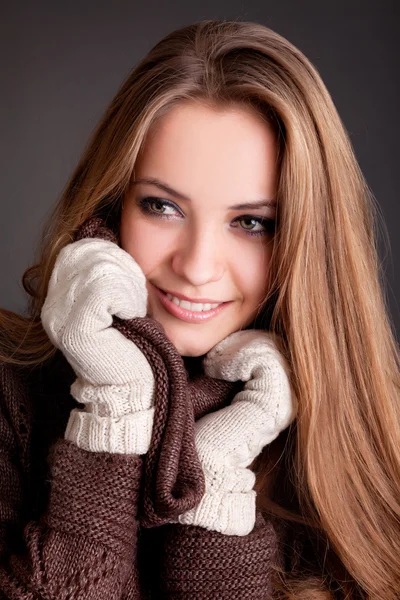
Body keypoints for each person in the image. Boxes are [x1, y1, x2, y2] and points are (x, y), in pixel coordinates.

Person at [0, 18, 399, 600]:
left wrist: (215, 467)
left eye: (251, 223)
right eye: (162, 206)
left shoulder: (363, 454)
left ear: (306, 243)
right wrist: (112, 410)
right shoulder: (10, 400)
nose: (196, 265)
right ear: (111, 208)